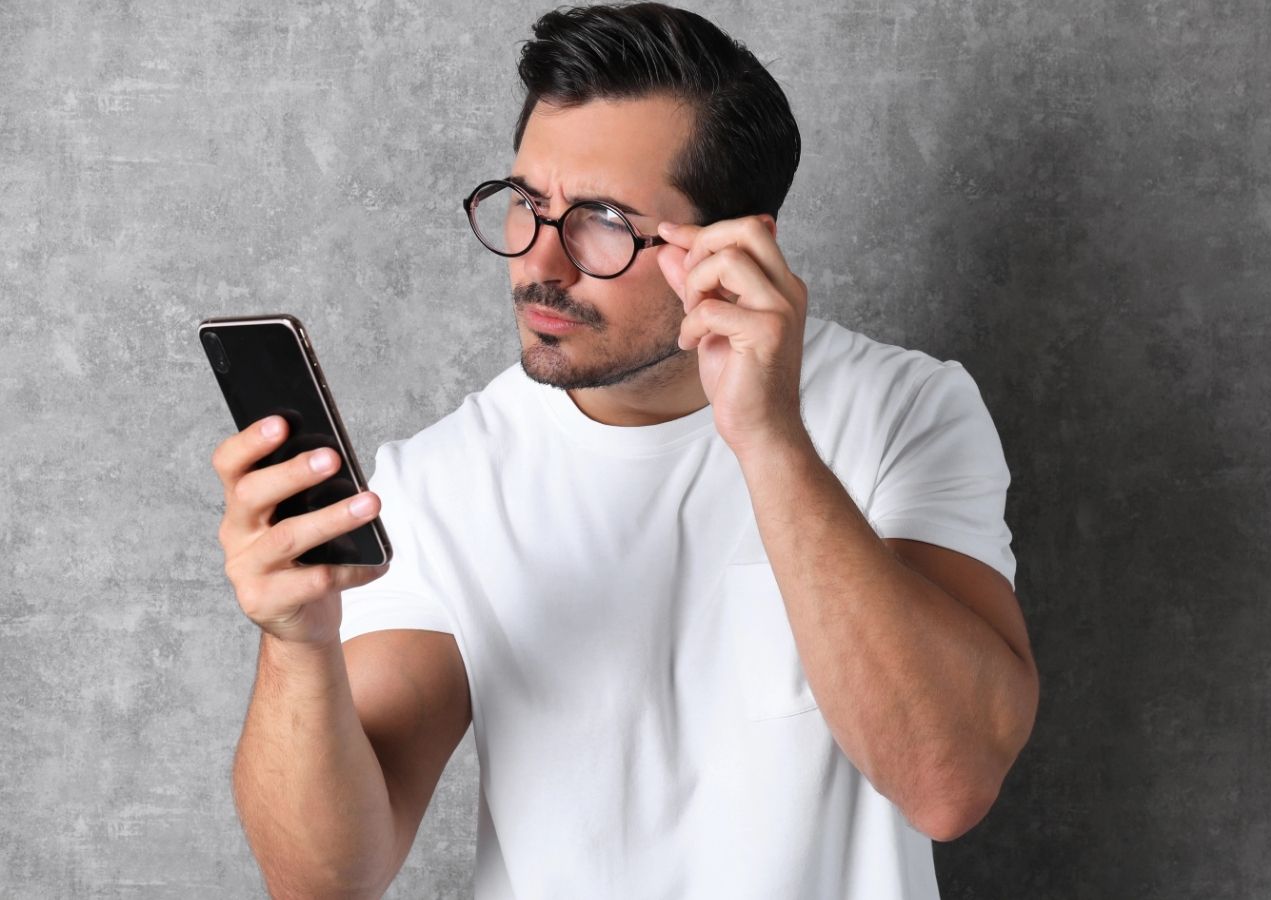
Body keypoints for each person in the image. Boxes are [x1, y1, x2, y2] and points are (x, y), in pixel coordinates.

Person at [209, 4, 1038, 897]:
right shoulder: (442, 481)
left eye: (602, 220)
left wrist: (770, 441)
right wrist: (297, 642)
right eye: (527, 205)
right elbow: (325, 879)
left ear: (736, 246)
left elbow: (948, 786)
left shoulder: (906, 412)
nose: (541, 264)